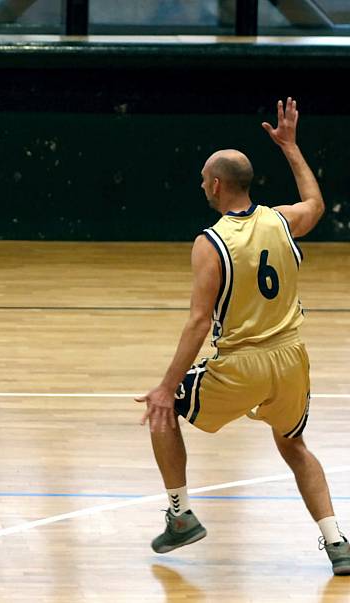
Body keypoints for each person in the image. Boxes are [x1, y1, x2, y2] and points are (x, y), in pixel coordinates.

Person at [135, 97, 350, 576]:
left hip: (243, 362)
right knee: (294, 446)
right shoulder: (282, 220)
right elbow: (315, 202)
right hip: (292, 359)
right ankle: (337, 541)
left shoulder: (211, 242)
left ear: (214, 184)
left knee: (162, 412)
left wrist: (167, 386)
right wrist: (291, 147)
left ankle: (180, 514)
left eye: (203, 179)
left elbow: (197, 322)